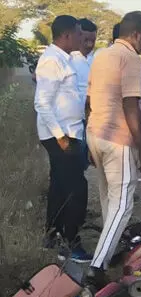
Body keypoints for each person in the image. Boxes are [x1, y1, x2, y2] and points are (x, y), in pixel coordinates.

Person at [85, 11, 141, 284]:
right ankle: (96, 268)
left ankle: (109, 249)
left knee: (108, 200)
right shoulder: (131, 59)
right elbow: (131, 106)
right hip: (119, 141)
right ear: (136, 34)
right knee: (121, 205)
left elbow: (89, 100)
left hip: (96, 134)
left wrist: (91, 139)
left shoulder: (101, 55)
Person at [34, 15, 90, 261]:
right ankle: (70, 242)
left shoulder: (65, 59)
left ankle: (52, 234)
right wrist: (60, 137)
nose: (81, 38)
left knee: (60, 186)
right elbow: (42, 103)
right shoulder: (51, 61)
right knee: (76, 190)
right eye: (78, 34)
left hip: (70, 132)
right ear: (66, 35)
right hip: (61, 136)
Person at [71, 18, 98, 171]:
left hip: (92, 118)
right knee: (75, 159)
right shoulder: (68, 59)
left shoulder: (97, 60)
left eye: (92, 40)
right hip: (73, 119)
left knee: (89, 157)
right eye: (86, 40)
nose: (89, 44)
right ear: (78, 36)